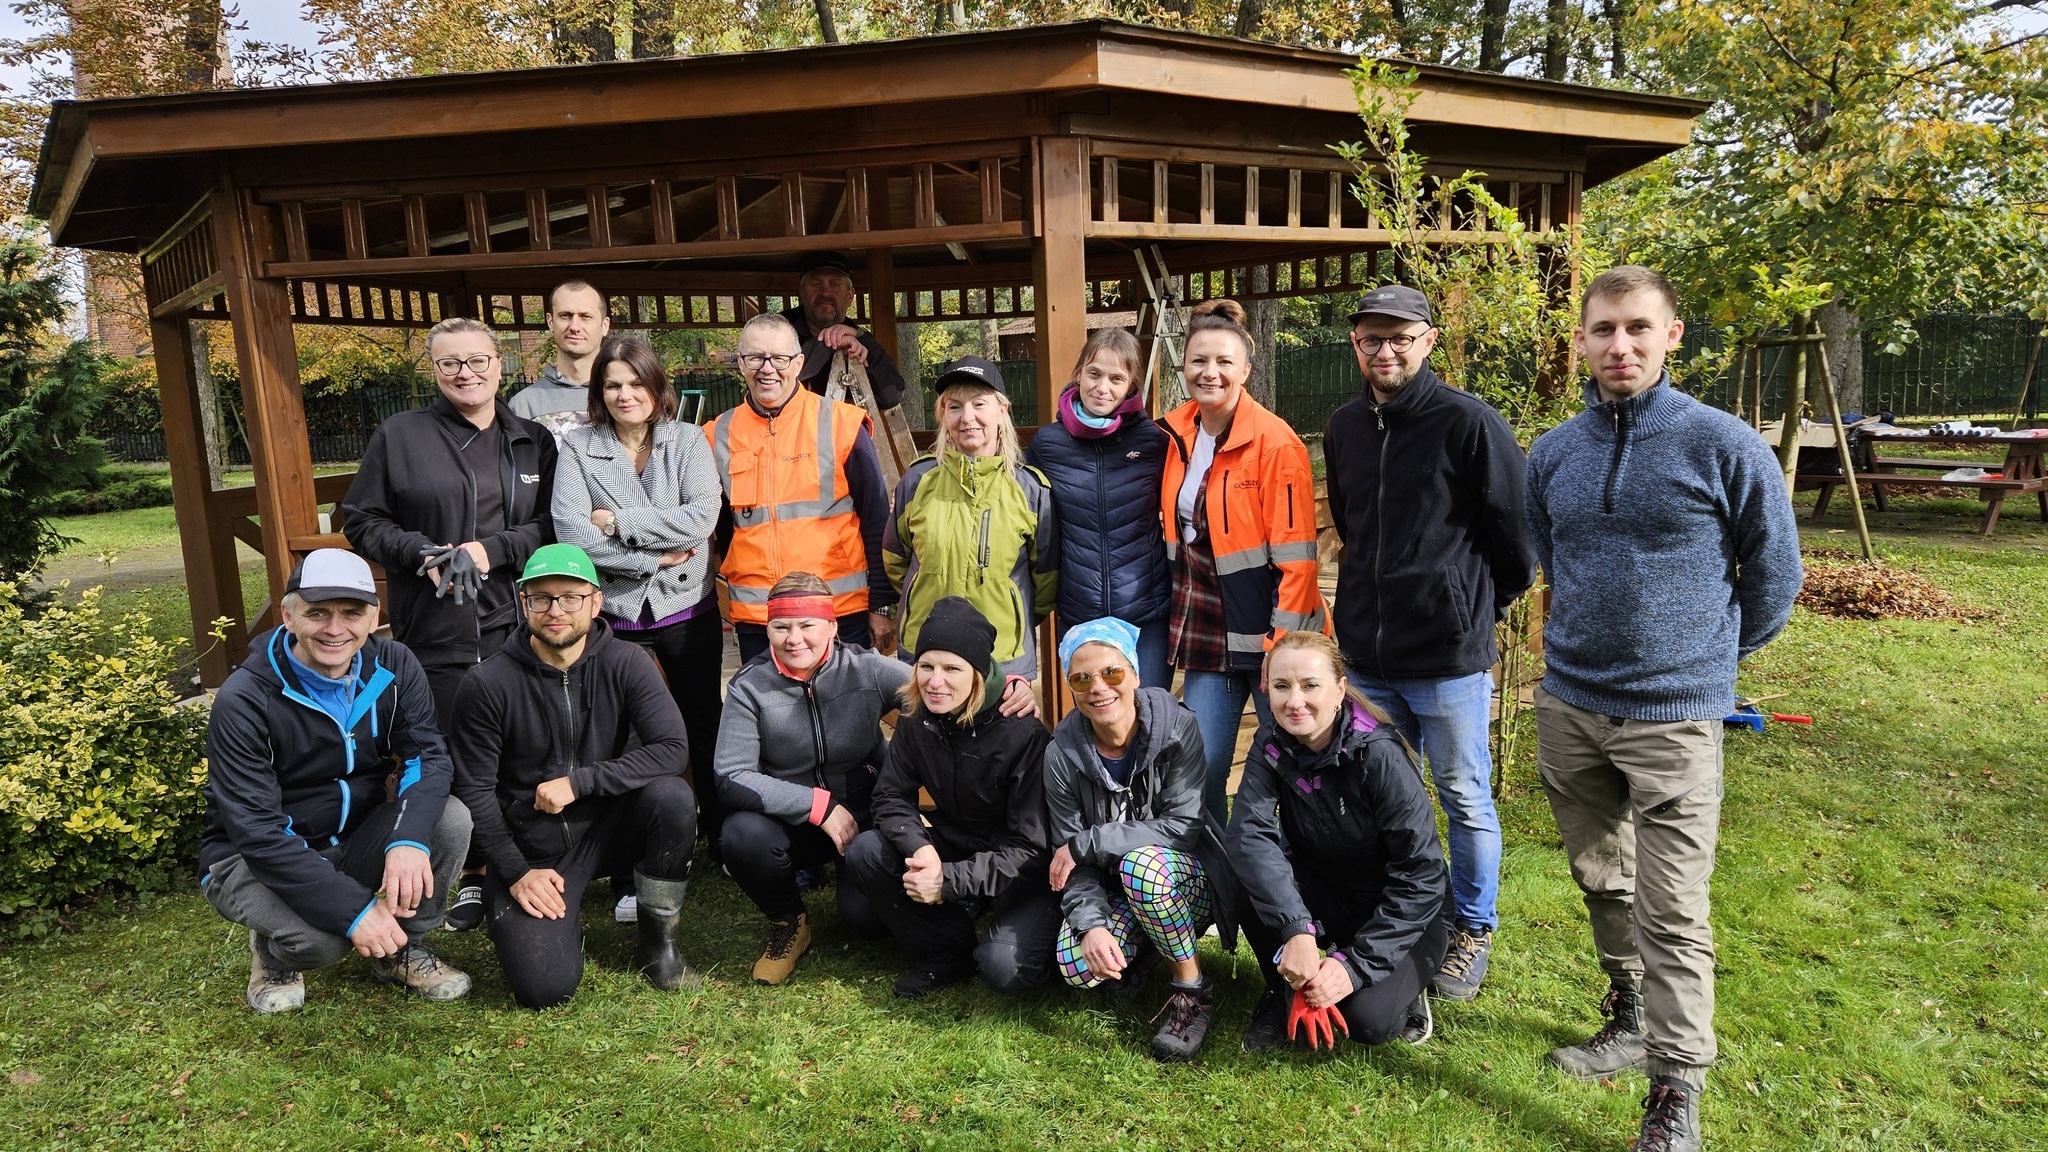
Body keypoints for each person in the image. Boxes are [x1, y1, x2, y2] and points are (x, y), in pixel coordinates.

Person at [1526, 265, 1802, 1152]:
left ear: (1673, 336)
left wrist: (1706, 664)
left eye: (1639, 329)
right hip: (1571, 705)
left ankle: (1675, 1087)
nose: (1620, 347)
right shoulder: (1553, 453)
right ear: (1580, 341)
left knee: (1673, 906)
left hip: (1674, 716)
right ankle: (1631, 1015)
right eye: (1603, 330)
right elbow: (1552, 563)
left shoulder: (1723, 446)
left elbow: (1774, 578)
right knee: (1603, 879)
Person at [1322, 284, 1538, 1002]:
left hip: (1446, 654)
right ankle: (1415, 916)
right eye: (1370, 339)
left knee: (1464, 794)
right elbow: (1354, 526)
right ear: (1355, 345)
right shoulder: (1346, 427)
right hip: (1369, 658)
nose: (1384, 351)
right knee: (1388, 796)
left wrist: (1475, 606)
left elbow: (1513, 537)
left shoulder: (1468, 424)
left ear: (1428, 341)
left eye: (1399, 338)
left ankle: (1473, 928)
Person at [198, 548, 473, 1014]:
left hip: (353, 836)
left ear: (374, 615)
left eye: (352, 612)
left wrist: (408, 839)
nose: (334, 628)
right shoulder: (244, 698)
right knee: (323, 944)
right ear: (288, 615)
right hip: (249, 856)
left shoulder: (395, 665)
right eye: (317, 612)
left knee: (449, 819)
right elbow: (257, 832)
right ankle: (272, 952)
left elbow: (427, 756)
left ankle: (401, 948)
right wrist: (355, 911)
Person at [447, 544, 701, 1009]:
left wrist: (580, 783)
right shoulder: (486, 683)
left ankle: (657, 942)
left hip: (609, 827)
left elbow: (672, 749)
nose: (556, 610)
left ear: (596, 602)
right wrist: (517, 871)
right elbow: (474, 790)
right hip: (533, 847)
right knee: (545, 988)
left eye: (571, 597)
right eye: (541, 598)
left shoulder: (628, 663)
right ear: (524, 604)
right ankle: (545, 915)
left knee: (672, 799)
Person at [552, 335, 724, 910]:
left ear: (657, 387)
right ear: (600, 392)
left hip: (685, 606)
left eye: (636, 383)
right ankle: (628, 862)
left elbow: (700, 519)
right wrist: (651, 554)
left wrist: (618, 520)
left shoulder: (687, 440)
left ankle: (719, 836)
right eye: (612, 385)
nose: (626, 395)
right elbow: (574, 534)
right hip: (619, 611)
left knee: (702, 721)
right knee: (620, 733)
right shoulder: (579, 447)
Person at [1226, 630, 1447, 1052]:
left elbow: (1422, 876)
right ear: (1267, 689)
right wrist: (1297, 929)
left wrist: (1354, 967)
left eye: (1310, 685)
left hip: (1401, 911)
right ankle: (1280, 988)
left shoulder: (1378, 755)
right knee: (1244, 865)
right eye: (1281, 686)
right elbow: (1249, 834)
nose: (1295, 701)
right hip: (1324, 892)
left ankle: (1405, 985)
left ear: (1339, 689)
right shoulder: (1271, 742)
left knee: (1367, 1022)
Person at [341, 314, 557, 730]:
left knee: (525, 759)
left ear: (499, 363)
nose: (465, 374)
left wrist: (489, 551)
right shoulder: (400, 435)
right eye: (450, 363)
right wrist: (423, 553)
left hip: (521, 629)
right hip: (435, 633)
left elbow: (553, 522)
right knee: (448, 761)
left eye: (477, 360)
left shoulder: (532, 439)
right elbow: (362, 519)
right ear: (434, 369)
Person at [1158, 299, 1327, 824]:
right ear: (1182, 366)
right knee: (1201, 766)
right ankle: (1215, 882)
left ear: (1246, 370)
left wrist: (1284, 648)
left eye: (1224, 362)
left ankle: (1290, 884)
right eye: (1199, 361)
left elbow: (1299, 559)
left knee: (1290, 765)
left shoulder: (1275, 443)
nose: (1210, 373)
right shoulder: (1172, 433)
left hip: (1268, 630)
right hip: (1208, 627)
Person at [846, 597, 1059, 998]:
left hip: (1018, 862)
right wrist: (919, 848)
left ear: (978, 674)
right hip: (954, 841)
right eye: (925, 666)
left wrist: (949, 881)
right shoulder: (917, 718)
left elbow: (1032, 849)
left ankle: (985, 916)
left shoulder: (1023, 732)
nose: (934, 681)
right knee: (865, 861)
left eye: (951, 668)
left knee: (1004, 969)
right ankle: (947, 951)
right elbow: (890, 796)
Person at [1044, 617, 1234, 1062]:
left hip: (1186, 881)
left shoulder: (1177, 727)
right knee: (1075, 966)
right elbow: (1069, 859)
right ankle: (1147, 947)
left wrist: (1086, 843)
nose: (1098, 687)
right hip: (1117, 891)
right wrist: (1090, 924)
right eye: (1081, 677)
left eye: (1111, 672)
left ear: (1134, 673)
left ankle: (1193, 992)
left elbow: (1182, 827)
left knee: (1142, 867)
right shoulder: (1060, 754)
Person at [713, 573, 909, 985]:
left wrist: (1008, 686)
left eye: (807, 626)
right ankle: (788, 922)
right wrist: (818, 806)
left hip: (864, 813)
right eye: (781, 627)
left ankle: (853, 876)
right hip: (796, 822)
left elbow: (943, 685)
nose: (794, 639)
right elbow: (730, 775)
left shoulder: (866, 668)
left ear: (832, 626)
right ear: (767, 628)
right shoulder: (749, 686)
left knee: (869, 922)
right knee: (740, 834)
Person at [708, 312, 899, 664]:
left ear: (798, 363)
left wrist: (882, 605)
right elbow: (718, 529)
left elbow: (877, 520)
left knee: (847, 716)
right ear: (740, 363)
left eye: (779, 358)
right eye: (755, 357)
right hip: (760, 619)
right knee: (771, 719)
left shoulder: (841, 424)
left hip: (838, 613)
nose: (768, 368)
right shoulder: (716, 434)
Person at [884, 355, 1058, 687]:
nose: (968, 418)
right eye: (954, 407)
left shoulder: (1031, 489)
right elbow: (895, 560)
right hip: (927, 654)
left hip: (1003, 657)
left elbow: (1046, 579)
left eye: (979, 404)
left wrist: (1012, 609)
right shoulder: (917, 481)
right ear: (942, 415)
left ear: (1001, 411)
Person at [1025, 328, 1174, 688]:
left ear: (1131, 386)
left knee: (1152, 713)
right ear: (1079, 373)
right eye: (1094, 373)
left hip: (1147, 610)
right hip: (1081, 611)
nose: (1102, 387)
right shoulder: (1048, 444)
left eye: (1116, 378)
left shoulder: (1155, 441)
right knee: (1098, 717)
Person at [790, 250, 906, 411]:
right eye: (816, 284)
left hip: (845, 433)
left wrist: (859, 338)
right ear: (802, 293)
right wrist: (829, 342)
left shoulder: (859, 338)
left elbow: (891, 395)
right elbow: (778, 385)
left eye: (834, 284)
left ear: (850, 296)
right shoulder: (778, 330)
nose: (825, 292)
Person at [508, 279, 613, 438]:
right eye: (565, 316)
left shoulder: (627, 398)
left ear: (605, 325)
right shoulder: (524, 406)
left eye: (585, 316)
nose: (575, 327)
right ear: (550, 322)